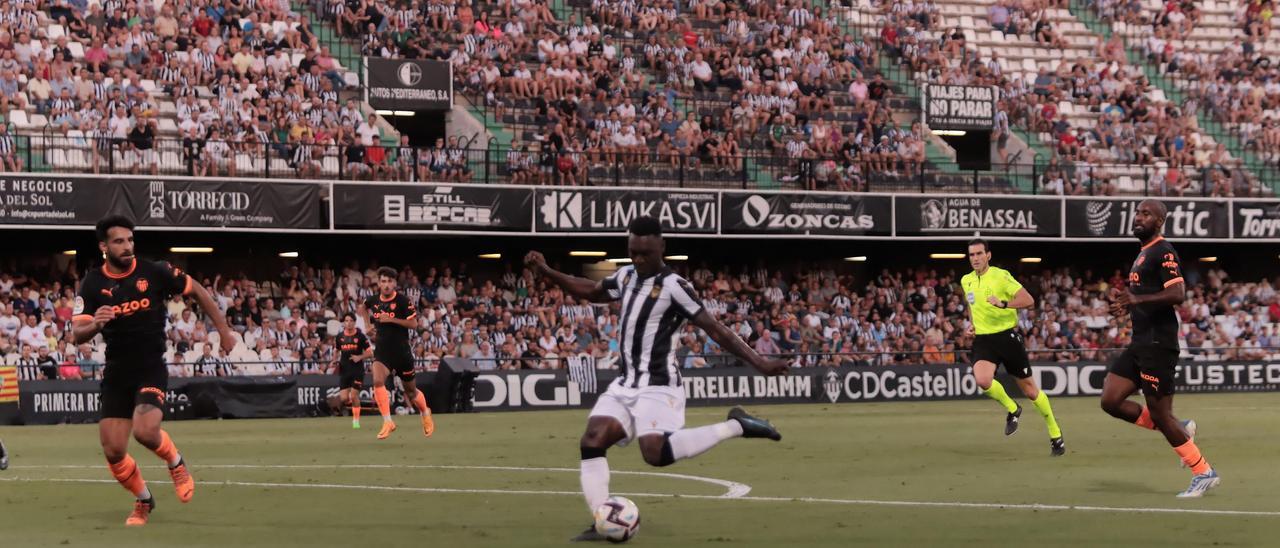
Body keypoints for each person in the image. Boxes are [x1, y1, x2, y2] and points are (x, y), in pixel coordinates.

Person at [524, 216, 790, 542]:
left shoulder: (676, 288)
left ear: (662, 248)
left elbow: (715, 329)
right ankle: (602, 519)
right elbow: (592, 290)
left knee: (654, 453)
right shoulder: (626, 275)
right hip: (626, 383)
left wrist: (759, 362)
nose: (638, 259)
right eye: (633, 252)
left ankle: (736, 425)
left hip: (660, 385)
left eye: (645, 253)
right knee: (592, 440)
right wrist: (549, 272)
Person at [71, 215, 235, 526]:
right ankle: (144, 500)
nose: (128, 246)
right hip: (117, 371)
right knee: (114, 450)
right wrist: (96, 323)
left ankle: (176, 463)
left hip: (150, 366)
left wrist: (224, 331)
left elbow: (197, 290)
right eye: (119, 241)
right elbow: (76, 334)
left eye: (130, 240)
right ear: (104, 247)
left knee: (145, 431)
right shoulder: (93, 283)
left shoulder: (154, 271)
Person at [1103, 200, 1219, 497]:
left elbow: (1177, 293)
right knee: (1111, 400)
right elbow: (1142, 296)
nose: (1138, 217)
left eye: (1146, 214)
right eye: (1137, 213)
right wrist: (1125, 302)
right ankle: (1180, 428)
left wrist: (1137, 300)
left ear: (1159, 221)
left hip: (1158, 343)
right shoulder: (1143, 254)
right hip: (1140, 341)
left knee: (1159, 412)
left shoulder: (1163, 250)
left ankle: (1203, 471)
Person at [961, 238, 1065, 456]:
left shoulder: (1001, 276)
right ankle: (1012, 408)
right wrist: (972, 324)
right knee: (982, 380)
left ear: (988, 255)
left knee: (1031, 391)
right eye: (972, 255)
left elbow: (1028, 300)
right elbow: (972, 305)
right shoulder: (966, 280)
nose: (976, 258)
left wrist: (1004, 303)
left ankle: (1055, 435)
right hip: (984, 340)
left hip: (1007, 338)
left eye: (979, 254)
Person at [360, 267, 435, 439]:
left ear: (394, 283)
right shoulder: (373, 300)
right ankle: (388, 421)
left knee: (411, 391)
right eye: (383, 281)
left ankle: (425, 413)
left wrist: (391, 319)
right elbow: (363, 307)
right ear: (379, 283)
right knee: (377, 381)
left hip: (402, 352)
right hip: (382, 351)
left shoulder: (402, 301)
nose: (386, 285)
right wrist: (367, 325)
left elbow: (414, 324)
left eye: (389, 281)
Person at [333, 313, 372, 429]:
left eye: (350, 321)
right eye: (346, 321)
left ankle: (356, 420)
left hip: (357, 370)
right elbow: (336, 350)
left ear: (354, 322)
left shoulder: (360, 336)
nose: (348, 323)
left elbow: (370, 352)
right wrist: (334, 360)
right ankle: (356, 406)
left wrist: (359, 357)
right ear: (344, 323)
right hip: (344, 370)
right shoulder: (339, 337)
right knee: (344, 398)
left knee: (354, 395)